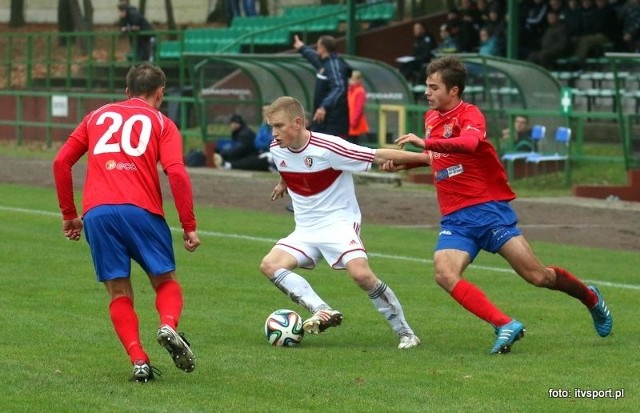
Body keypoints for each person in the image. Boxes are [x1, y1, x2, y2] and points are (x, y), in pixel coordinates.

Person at [381, 56, 613, 354]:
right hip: (456, 219)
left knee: (538, 276)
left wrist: (425, 144)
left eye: (433, 87)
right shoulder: (431, 118)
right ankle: (504, 324)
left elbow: (468, 145)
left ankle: (590, 297)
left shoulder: (471, 115)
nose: (427, 92)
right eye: (426, 86)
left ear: (453, 91)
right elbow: (440, 157)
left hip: (488, 211)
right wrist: (409, 164)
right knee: (444, 273)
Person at [52, 62, 200, 381]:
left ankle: (139, 360)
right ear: (160, 93)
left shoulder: (96, 116)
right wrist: (188, 225)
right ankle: (168, 325)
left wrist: (69, 215)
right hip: (142, 210)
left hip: (98, 214)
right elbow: (176, 172)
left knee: (119, 292)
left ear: (127, 91)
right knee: (165, 281)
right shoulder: (163, 122)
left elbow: (61, 161)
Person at [260, 96, 430, 349]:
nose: (273, 133)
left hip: (338, 224)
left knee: (361, 275)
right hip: (305, 230)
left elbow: (376, 155)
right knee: (270, 265)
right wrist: (283, 183)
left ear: (297, 123)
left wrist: (427, 159)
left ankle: (406, 333)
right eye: (271, 127)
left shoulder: (329, 147)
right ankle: (322, 310)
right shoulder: (277, 148)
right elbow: (289, 167)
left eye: (278, 126)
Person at [293, 34, 351, 139]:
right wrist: (302, 48)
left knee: (330, 150)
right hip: (322, 119)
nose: (316, 49)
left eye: (318, 46)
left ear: (323, 48)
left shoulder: (334, 65)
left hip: (332, 121)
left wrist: (324, 107)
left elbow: (339, 87)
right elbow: (313, 57)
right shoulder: (325, 63)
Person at [223, 106, 275, 172]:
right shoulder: (263, 127)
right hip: (262, 153)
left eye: (267, 111)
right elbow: (258, 143)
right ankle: (230, 164)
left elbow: (272, 142)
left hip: (269, 153)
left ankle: (230, 165)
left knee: (257, 160)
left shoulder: (275, 126)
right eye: (263, 111)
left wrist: (266, 144)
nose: (264, 113)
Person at [347, 70, 369, 144]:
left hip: (356, 123)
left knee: (355, 142)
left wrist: (354, 122)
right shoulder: (350, 90)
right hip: (350, 122)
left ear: (359, 80)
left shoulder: (360, 91)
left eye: (353, 79)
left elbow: (359, 109)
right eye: (350, 79)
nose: (351, 81)